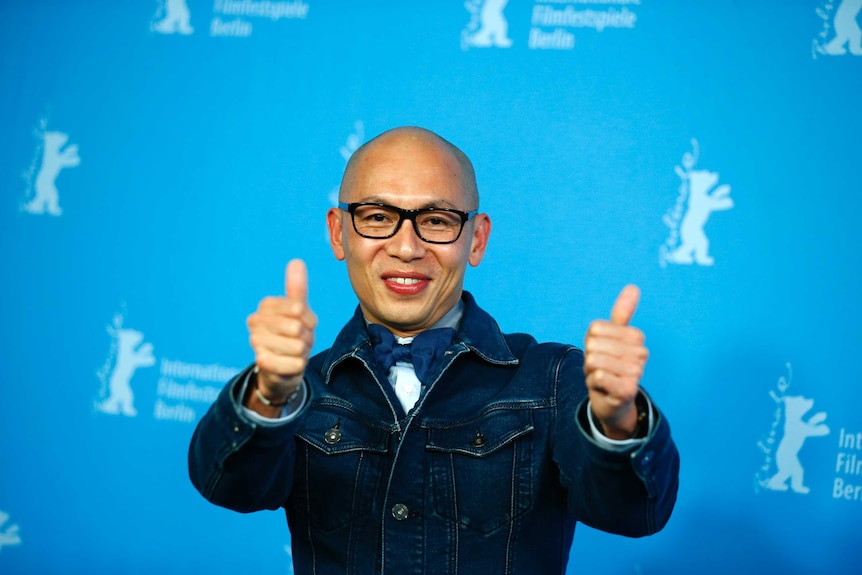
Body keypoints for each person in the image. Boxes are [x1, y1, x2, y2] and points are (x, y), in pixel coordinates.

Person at [188, 126, 679, 574]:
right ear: (339, 232)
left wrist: (617, 424)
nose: (406, 247)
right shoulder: (299, 386)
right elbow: (228, 486)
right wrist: (269, 399)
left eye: (437, 220)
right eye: (377, 217)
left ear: (476, 239)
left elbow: (634, 512)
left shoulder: (552, 379)